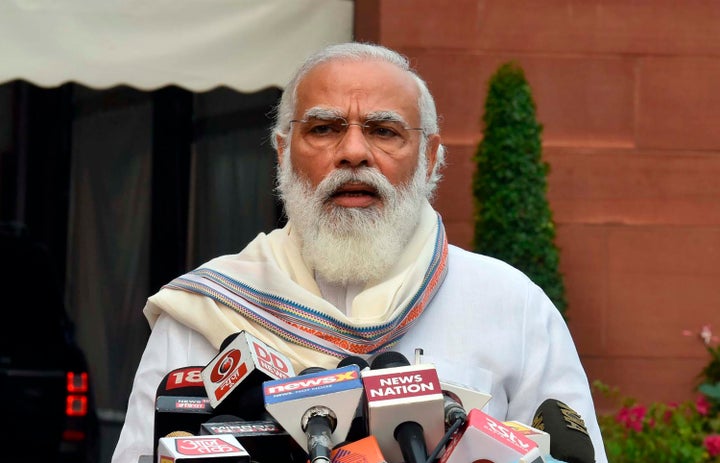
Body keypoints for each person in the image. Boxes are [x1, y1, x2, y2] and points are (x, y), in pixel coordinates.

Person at [111, 41, 608, 463]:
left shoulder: (510, 304)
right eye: (324, 128)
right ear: (283, 151)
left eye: (383, 130)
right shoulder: (204, 309)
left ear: (430, 157)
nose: (353, 152)